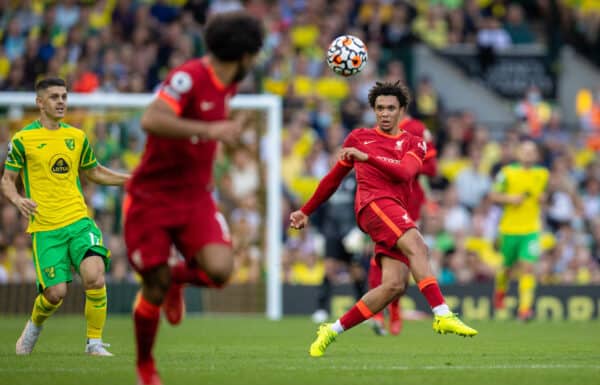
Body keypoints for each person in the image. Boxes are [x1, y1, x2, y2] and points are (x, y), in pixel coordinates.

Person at [123, 11, 264, 385]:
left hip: (195, 197)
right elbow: (151, 120)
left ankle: (176, 281)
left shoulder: (229, 84)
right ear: (245, 55)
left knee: (220, 271)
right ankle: (145, 366)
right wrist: (210, 129)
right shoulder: (188, 77)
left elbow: (215, 127)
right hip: (152, 196)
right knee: (152, 284)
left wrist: (230, 133)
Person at [290, 80, 477, 358]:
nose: (385, 113)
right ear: (373, 110)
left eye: (391, 108)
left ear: (402, 110)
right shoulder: (358, 138)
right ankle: (442, 313)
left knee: (393, 286)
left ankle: (331, 330)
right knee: (418, 245)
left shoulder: (415, 142)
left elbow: (404, 172)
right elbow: (332, 179)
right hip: (372, 205)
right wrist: (306, 210)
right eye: (380, 108)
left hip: (393, 210)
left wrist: (367, 157)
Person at [1, 77, 130, 356]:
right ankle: (34, 326)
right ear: (39, 103)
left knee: (95, 275)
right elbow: (7, 180)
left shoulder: (77, 137)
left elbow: (94, 171)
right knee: (55, 293)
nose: (61, 102)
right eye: (54, 97)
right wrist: (17, 199)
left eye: (64, 96)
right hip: (46, 228)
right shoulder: (23, 139)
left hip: (78, 221)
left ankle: (94, 342)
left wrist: (130, 179)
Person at [367, 116, 438, 336]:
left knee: (403, 258)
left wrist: (405, 166)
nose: (386, 111)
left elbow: (432, 167)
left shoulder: (416, 129)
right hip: (383, 200)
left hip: (409, 201)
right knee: (379, 253)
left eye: (391, 106)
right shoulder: (375, 132)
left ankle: (395, 309)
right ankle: (378, 313)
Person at [490, 140, 549, 321]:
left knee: (528, 267)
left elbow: (543, 195)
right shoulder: (507, 173)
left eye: (532, 151)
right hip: (509, 229)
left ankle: (525, 310)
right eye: (525, 150)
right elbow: (493, 195)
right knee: (506, 269)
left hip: (531, 229)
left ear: (537, 155)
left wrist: (543, 199)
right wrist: (510, 198)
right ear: (518, 153)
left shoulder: (543, 174)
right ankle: (500, 290)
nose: (528, 154)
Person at [310, 168, 367, 324]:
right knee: (329, 268)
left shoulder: (358, 180)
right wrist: (318, 231)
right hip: (331, 232)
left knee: (356, 271)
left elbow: (364, 204)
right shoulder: (328, 180)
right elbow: (318, 204)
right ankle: (321, 309)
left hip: (351, 232)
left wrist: (359, 229)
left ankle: (365, 309)